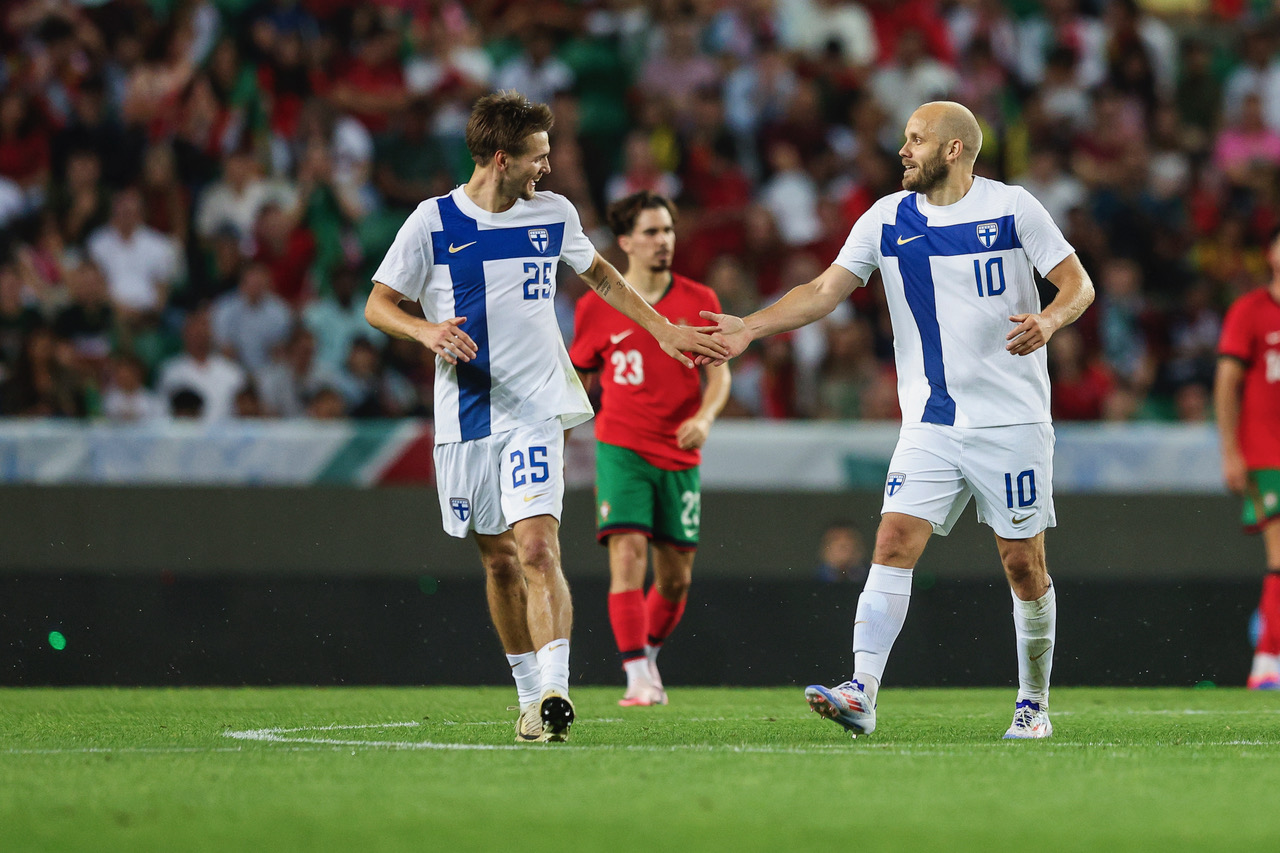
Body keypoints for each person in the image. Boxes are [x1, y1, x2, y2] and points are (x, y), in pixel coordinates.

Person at [699, 101, 1094, 739]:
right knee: (891, 543)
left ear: (954, 150)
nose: (903, 150)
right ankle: (862, 690)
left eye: (916, 139)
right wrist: (749, 327)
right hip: (931, 422)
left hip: (1012, 422)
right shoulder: (887, 217)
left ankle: (1033, 702)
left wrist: (1049, 320)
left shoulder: (1013, 207)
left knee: (1023, 564)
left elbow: (1078, 284)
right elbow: (823, 291)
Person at [364, 91, 726, 743]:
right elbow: (379, 304)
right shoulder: (432, 222)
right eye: (538, 156)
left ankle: (556, 689)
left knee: (536, 548)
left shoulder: (554, 213)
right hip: (467, 416)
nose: (548, 167)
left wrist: (665, 330)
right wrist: (425, 331)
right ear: (502, 158)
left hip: (535, 410)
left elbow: (605, 278)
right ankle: (529, 696)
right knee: (500, 562)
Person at [569, 191, 731, 707]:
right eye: (651, 232)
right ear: (625, 242)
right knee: (627, 553)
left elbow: (720, 374)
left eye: (668, 230)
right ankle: (636, 676)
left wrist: (704, 418)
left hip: (679, 452)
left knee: (676, 579)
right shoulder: (594, 307)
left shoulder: (698, 298)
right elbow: (580, 378)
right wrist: (559, 437)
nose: (664, 241)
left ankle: (648, 658)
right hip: (621, 446)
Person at [1214, 229, 1280, 691]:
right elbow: (1226, 384)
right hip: (1266, 453)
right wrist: (1230, 451)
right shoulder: (1250, 310)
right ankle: (1266, 662)